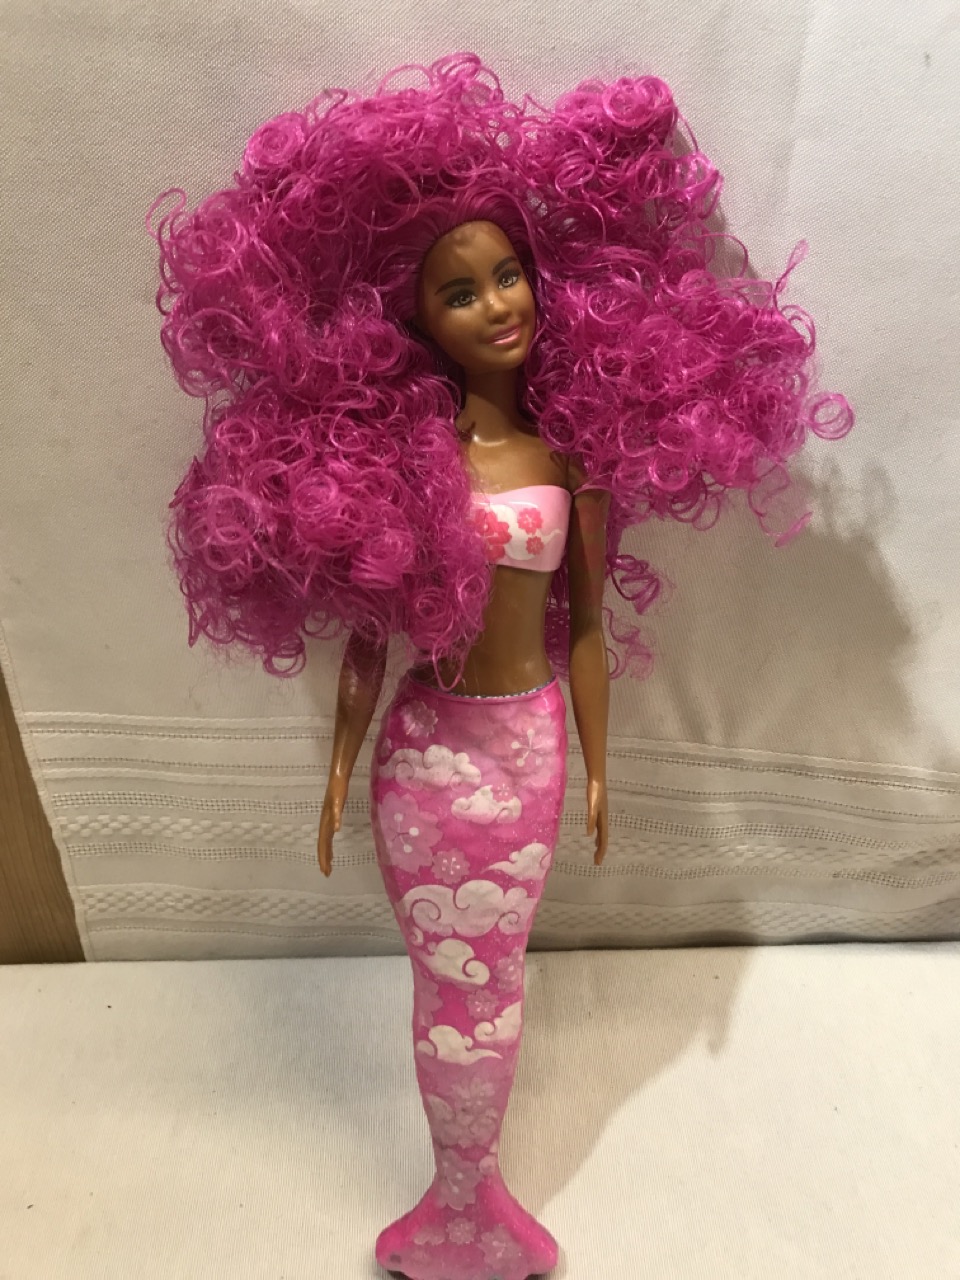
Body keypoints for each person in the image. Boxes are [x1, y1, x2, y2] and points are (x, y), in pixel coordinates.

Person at [148, 54, 852, 1280]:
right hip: (424, 751)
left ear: (548, 282)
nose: (496, 304)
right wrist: (340, 767)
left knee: (497, 979)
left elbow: (582, 626)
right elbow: (370, 635)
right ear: (416, 322)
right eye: (459, 290)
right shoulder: (397, 457)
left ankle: (477, 1199)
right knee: (445, 981)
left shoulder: (569, 462)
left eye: (508, 274)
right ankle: (449, 1199)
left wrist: (597, 768)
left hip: (524, 749)